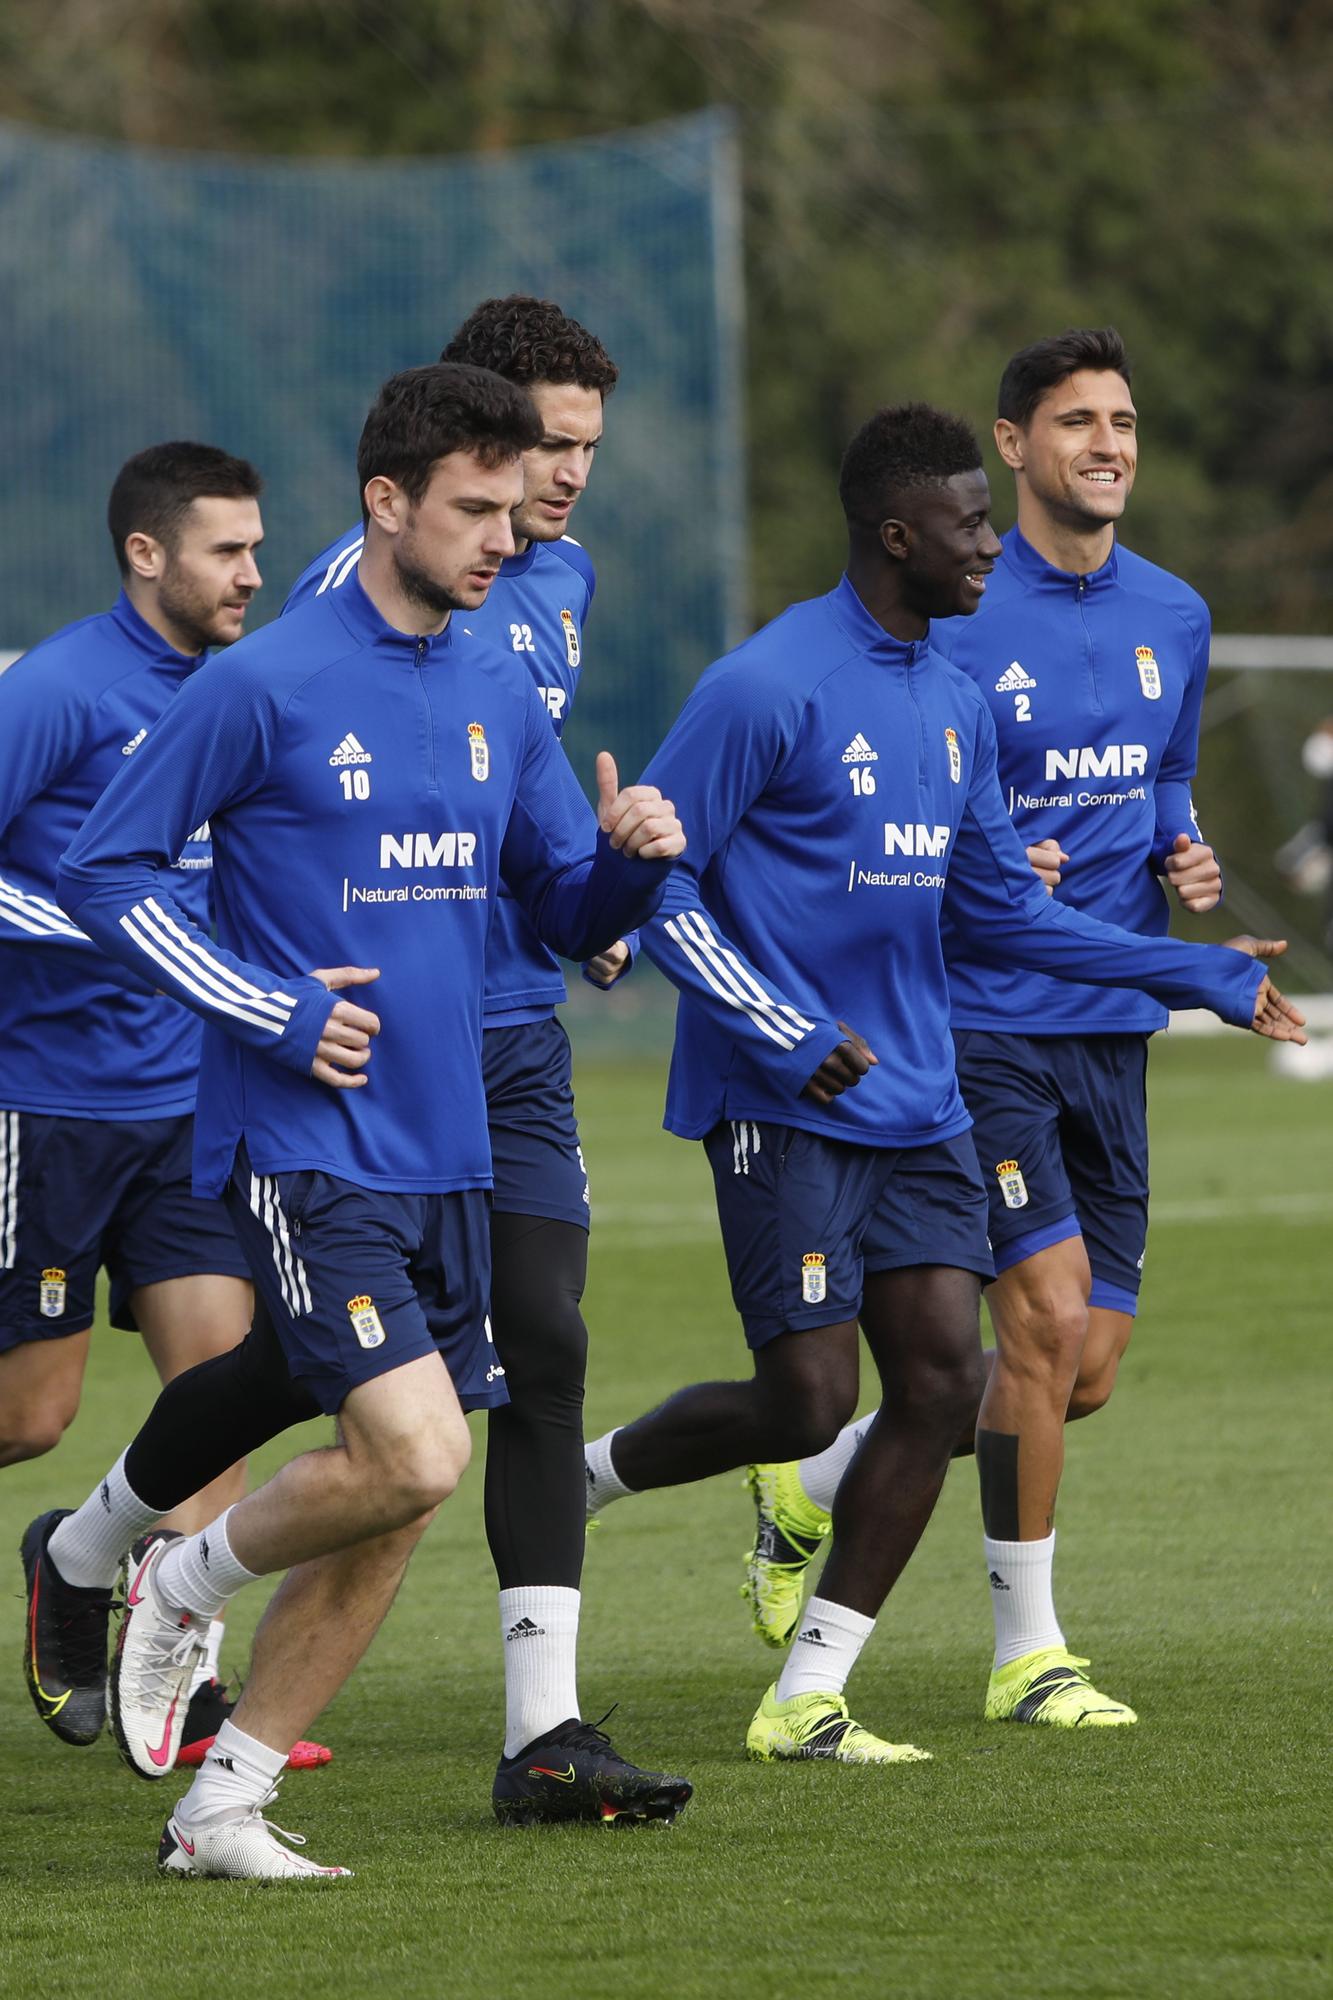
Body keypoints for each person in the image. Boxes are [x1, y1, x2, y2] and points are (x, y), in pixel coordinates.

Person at [580, 402, 1304, 1765]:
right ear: (895, 534)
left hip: (920, 1100)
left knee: (935, 1383)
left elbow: (997, 915)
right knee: (802, 1402)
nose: (988, 548)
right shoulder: (764, 684)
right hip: (779, 1100)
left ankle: (806, 1694)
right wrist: (781, 1026)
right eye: (969, 526)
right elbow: (650, 886)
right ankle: (577, 1485)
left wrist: (1185, 972)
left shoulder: (953, 699)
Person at [51, 361, 688, 1879]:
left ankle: (223, 1806)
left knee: (394, 1493)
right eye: (470, 507)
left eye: (506, 504)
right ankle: (176, 1580)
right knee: (410, 1455)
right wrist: (264, 1004)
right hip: (302, 1138)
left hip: (446, 1141)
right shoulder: (259, 682)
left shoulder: (493, 685)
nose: (499, 535)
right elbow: (103, 872)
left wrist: (635, 865)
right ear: (386, 502)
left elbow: (555, 903)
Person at [739, 330, 1248, 1728]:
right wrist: (983, 860)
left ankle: (816, 1477)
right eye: (1077, 421)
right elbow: (909, 785)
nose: (1109, 444)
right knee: (1042, 1323)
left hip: (1112, 1014)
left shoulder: (1175, 614)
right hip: (977, 1024)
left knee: (1074, 1376)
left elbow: (1165, 788)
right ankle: (1028, 1654)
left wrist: (1182, 858)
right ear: (1012, 446)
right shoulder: (956, 606)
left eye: (1124, 421)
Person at [285, 296, 645, 1807]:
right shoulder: (339, 598)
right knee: (318, 1387)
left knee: (542, 1351)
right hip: (383, 1049)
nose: (561, 483)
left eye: (581, 454)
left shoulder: (556, 589)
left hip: (516, 1037)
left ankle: (540, 1731)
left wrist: (600, 896)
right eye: (542, 450)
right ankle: (115, 1549)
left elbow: (521, 818)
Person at [7, 443, 277, 1763]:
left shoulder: (239, 697)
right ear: (145, 553)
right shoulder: (58, 690)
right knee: (29, 1417)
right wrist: (99, 926)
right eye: (226, 550)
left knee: (219, 1386)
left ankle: (177, 1673)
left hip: (189, 1105)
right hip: (45, 1107)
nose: (252, 574)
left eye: (256, 548)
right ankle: (59, 1551)